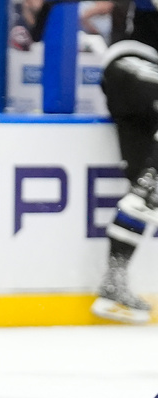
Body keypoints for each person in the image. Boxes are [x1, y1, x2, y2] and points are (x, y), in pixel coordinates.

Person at [90, 3, 158, 324]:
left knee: (144, 191)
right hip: (137, 62)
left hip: (133, 84)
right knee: (148, 187)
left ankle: (113, 283)